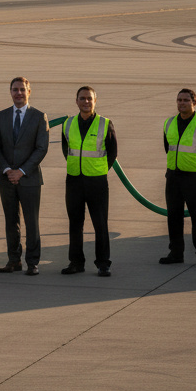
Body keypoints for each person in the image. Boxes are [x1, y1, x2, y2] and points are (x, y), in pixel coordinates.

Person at [0, 77, 49, 276]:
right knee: (10, 221)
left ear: (29, 92)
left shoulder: (39, 117)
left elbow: (41, 149)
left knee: (32, 222)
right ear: (10, 92)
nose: (18, 93)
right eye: (15, 89)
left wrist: (21, 171)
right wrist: (7, 169)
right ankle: (14, 260)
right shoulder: (2, 116)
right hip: (7, 179)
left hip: (29, 178)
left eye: (22, 90)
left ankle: (32, 262)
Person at [61, 86, 118, 277]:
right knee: (75, 224)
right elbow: (66, 149)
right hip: (74, 180)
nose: (86, 102)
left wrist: (99, 169)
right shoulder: (68, 124)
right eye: (82, 98)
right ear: (76, 101)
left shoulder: (105, 123)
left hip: (97, 182)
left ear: (95, 101)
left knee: (100, 223)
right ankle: (76, 262)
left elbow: (112, 152)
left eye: (89, 99)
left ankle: (103, 263)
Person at [162, 88, 196, 267]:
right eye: (179, 100)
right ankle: (176, 253)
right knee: (174, 217)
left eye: (185, 100)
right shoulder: (169, 123)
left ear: (194, 102)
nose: (182, 103)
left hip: (194, 178)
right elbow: (168, 147)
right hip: (173, 176)